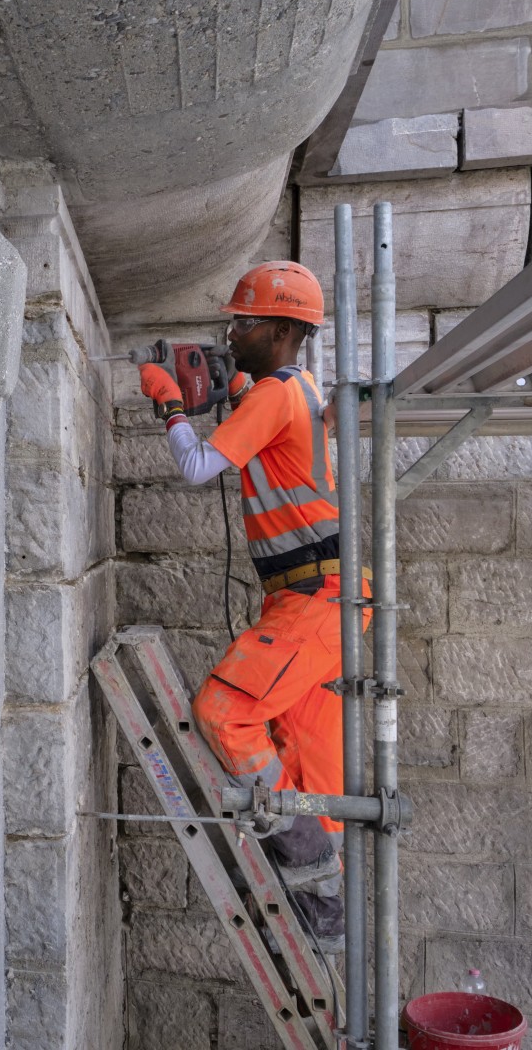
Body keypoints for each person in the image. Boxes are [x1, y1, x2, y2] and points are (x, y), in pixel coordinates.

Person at [137, 260, 369, 944]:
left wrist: (171, 406)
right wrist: (227, 384)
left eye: (242, 322)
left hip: (315, 600)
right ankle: (324, 925)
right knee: (311, 772)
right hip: (321, 601)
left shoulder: (275, 394)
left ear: (278, 329)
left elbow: (196, 467)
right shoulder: (288, 390)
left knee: (226, 712)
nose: (231, 332)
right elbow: (253, 406)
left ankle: (302, 871)